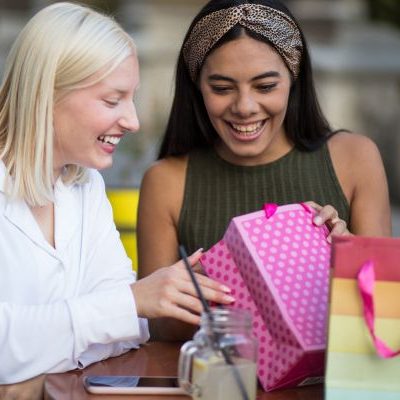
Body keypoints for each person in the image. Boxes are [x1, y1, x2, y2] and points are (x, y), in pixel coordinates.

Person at [0, 2, 234, 385]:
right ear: (46, 93)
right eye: (112, 100)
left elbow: (130, 330)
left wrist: (34, 373)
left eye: (132, 98)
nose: (134, 121)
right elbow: (124, 309)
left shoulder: (84, 184)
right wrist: (124, 305)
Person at [137, 0, 391, 340]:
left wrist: (346, 257)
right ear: (198, 87)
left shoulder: (355, 159)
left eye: (265, 86)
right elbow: (157, 328)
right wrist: (199, 286)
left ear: (294, 78)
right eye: (222, 88)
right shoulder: (166, 181)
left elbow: (386, 315)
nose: (244, 107)